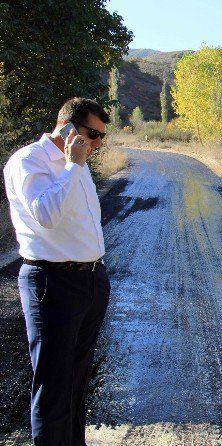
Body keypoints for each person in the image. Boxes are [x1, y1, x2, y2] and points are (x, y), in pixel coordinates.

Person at [3, 97, 111, 445]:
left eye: (101, 138)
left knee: (78, 386)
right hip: (53, 283)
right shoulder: (29, 161)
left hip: (91, 281)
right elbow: (46, 215)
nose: (96, 144)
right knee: (53, 389)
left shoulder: (76, 165)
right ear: (66, 126)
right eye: (93, 135)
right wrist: (72, 167)